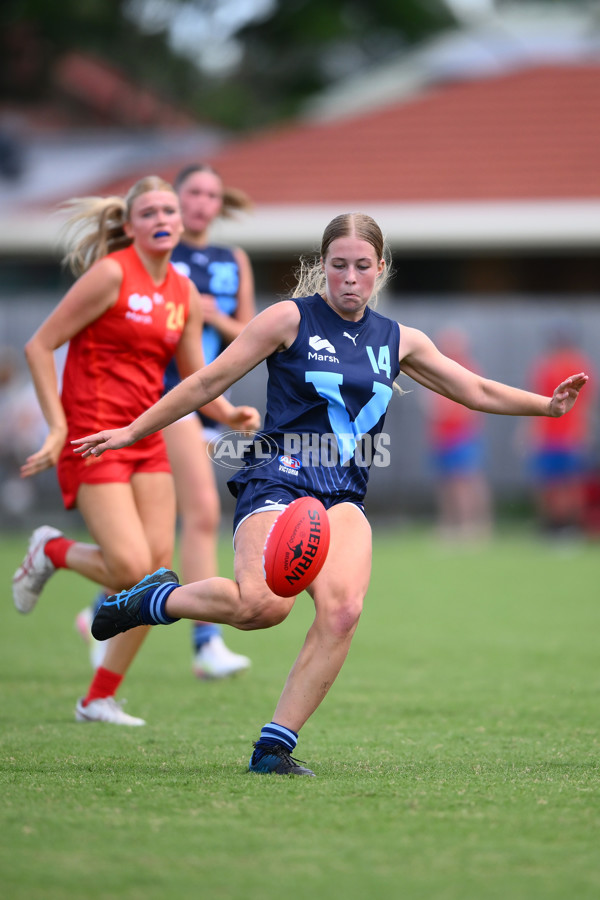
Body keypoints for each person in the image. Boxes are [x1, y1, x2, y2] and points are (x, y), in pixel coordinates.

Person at [72, 212, 588, 773]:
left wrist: (546, 406)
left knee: (342, 612)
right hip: (278, 478)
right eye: (338, 265)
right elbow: (205, 381)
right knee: (261, 607)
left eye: (362, 266)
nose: (349, 277)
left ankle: (273, 749)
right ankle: (154, 599)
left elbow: (475, 387)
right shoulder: (287, 319)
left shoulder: (400, 340)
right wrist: (130, 431)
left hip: (343, 494)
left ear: (380, 269)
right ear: (323, 267)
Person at [12, 175, 260, 726]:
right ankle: (50, 551)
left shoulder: (184, 293)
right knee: (128, 567)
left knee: (155, 581)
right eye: (148, 212)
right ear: (129, 226)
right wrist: (56, 428)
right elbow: (40, 344)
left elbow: (196, 376)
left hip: (145, 437)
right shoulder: (109, 275)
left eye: (167, 209)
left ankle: (98, 697)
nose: (162, 218)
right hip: (92, 436)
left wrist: (228, 414)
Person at [77, 163, 257, 679]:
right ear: (175, 202)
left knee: (162, 536)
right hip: (163, 398)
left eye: (211, 195)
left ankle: (98, 609)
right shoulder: (158, 251)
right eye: (193, 193)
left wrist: (208, 314)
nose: (201, 203)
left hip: (209, 397)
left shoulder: (232, 260)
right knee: (201, 512)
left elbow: (248, 331)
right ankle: (206, 644)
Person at [525, 323, 596, 537]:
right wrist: (531, 431)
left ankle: (571, 526)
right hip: (548, 434)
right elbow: (535, 399)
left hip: (568, 435)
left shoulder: (579, 366)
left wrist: (583, 431)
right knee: (549, 483)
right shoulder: (545, 366)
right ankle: (552, 526)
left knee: (569, 483)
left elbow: (586, 404)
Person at [425, 327, 493, 541]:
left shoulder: (468, 369)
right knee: (446, 484)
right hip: (442, 437)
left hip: (462, 436)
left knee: (466, 481)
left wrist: (445, 409)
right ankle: (451, 526)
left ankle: (474, 527)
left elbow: (472, 404)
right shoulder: (437, 370)